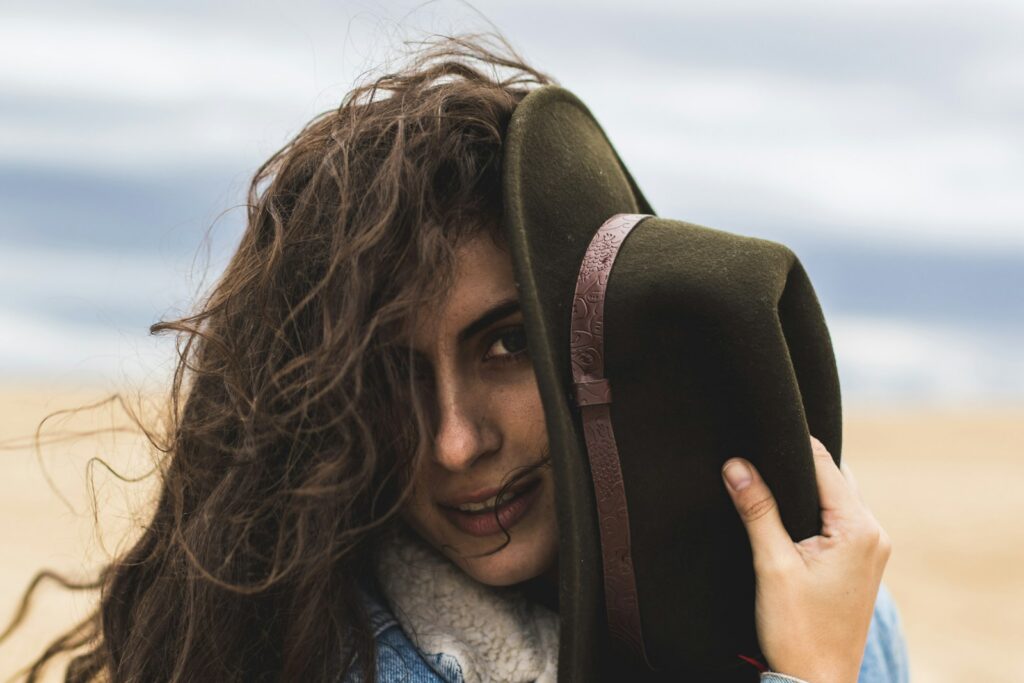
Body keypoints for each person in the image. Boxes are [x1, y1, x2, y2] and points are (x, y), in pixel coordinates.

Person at [16, 35, 908, 682]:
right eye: (392, 372)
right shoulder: (343, 661)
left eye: (506, 344)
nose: (452, 442)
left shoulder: (835, 607)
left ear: (597, 341)